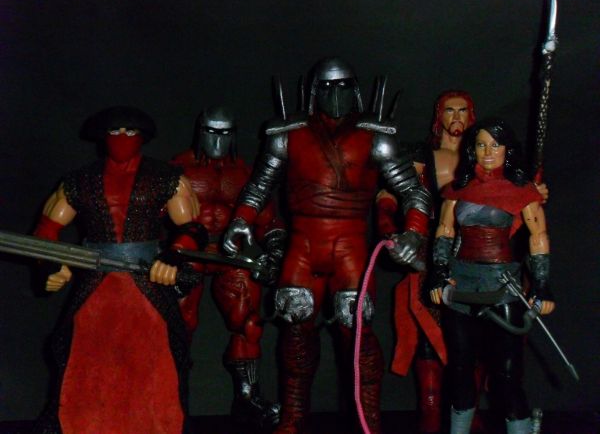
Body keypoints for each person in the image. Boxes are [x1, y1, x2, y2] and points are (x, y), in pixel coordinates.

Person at [221, 57, 432, 434]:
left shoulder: (376, 136)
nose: (335, 95)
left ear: (355, 89)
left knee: (358, 333)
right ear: (314, 91)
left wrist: (414, 232)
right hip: (303, 244)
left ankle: (369, 423)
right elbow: (260, 185)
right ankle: (292, 419)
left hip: (351, 246)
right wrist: (241, 221)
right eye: (327, 87)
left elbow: (413, 192)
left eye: (343, 87)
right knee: (295, 332)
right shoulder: (287, 135)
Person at [33, 106, 203, 434]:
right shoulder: (78, 181)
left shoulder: (167, 178)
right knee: (83, 365)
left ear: (143, 136)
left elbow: (193, 228)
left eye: (130, 131)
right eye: (115, 131)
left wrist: (174, 256)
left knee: (158, 365)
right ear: (102, 136)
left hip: (147, 283)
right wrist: (50, 264)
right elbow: (47, 228)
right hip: (95, 285)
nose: (122, 138)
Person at [428, 118, 554, 434]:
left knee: (506, 376)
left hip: (502, 286)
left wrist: (541, 284)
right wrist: (439, 273)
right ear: (472, 149)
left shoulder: (521, 191)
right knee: (460, 370)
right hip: (460, 287)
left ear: (507, 150)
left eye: (495, 145)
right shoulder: (459, 189)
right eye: (481, 144)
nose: (488, 152)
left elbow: (538, 237)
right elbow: (444, 231)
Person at [170, 106, 284, 429]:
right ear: (200, 132)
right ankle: (171, 395)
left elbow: (268, 220)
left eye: (225, 133)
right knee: (178, 324)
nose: (218, 141)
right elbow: (153, 214)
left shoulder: (245, 173)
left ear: (234, 135)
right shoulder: (178, 168)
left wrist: (275, 252)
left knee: (249, 323)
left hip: (231, 253)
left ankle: (247, 397)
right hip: (188, 251)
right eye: (211, 132)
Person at [376, 90, 476, 433]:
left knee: (473, 337)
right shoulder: (421, 158)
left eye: (462, 110)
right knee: (427, 333)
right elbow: (391, 195)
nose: (456, 116)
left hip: (473, 253)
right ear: (439, 115)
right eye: (450, 110)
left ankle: (469, 411)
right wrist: (391, 228)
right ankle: (430, 412)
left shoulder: (486, 156)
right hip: (429, 252)